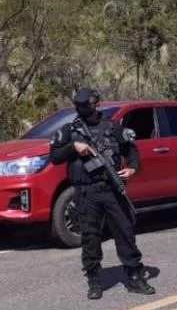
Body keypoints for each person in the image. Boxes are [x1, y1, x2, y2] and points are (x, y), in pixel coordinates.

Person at [49, 88, 155, 299]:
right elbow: (55, 156)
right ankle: (94, 280)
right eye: (85, 106)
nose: (89, 109)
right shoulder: (70, 131)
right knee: (90, 236)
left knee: (125, 232)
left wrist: (133, 168)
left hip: (112, 190)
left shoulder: (112, 128)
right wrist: (73, 147)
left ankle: (134, 276)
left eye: (90, 105)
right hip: (86, 192)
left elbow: (131, 150)